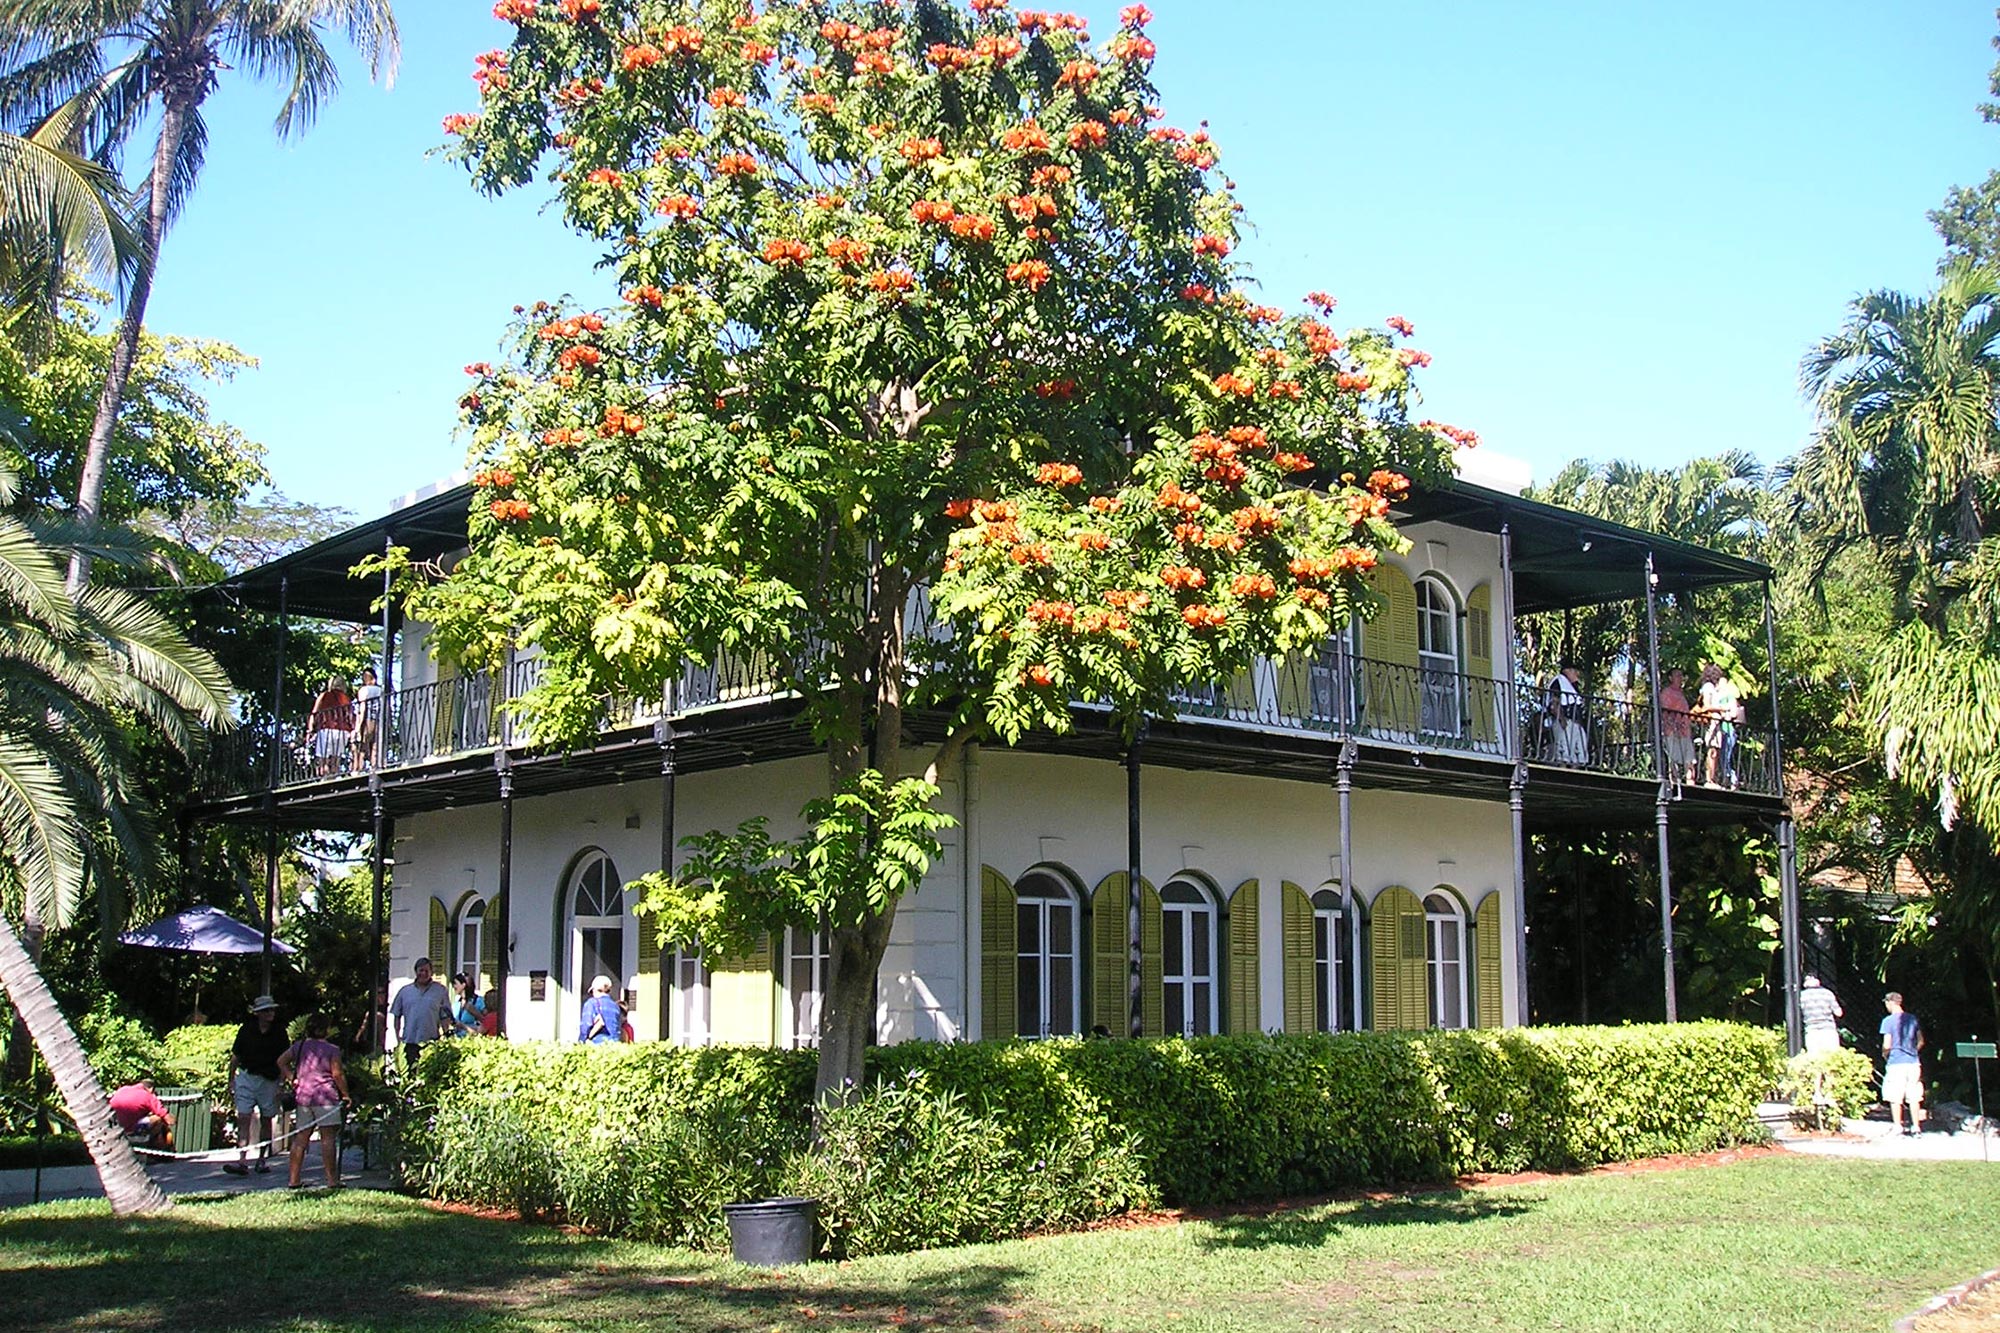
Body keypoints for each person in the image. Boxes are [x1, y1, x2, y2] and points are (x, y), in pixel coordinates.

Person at [277, 1013, 350, 1189]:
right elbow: (337, 1074)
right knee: (328, 1138)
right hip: (325, 1097)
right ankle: (332, 1180)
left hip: (303, 1096)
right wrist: (346, 1094)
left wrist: (291, 1078)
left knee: (300, 1139)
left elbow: (281, 1061)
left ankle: (294, 1180)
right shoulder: (332, 1050)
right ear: (325, 1029)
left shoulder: (299, 1046)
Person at [225, 995, 289, 1176]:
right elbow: (236, 1056)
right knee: (243, 1116)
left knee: (267, 1119)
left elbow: (285, 1059)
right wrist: (231, 1078)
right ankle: (242, 1159)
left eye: (272, 1010)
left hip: (269, 1079)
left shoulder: (279, 1032)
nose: (271, 1013)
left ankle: (262, 1159)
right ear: (258, 1013)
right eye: (267, 1010)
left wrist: (282, 1083)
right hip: (247, 1076)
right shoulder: (246, 1030)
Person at [390, 957, 454, 1071]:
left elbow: (445, 1016)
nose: (423, 973)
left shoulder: (440, 991)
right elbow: (396, 1015)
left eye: (426, 971)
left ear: (431, 973)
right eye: (421, 970)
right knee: (410, 1076)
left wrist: (446, 1038)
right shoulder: (405, 991)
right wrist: (397, 1038)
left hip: (430, 1042)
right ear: (416, 971)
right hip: (409, 1041)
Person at [1880, 991, 1926, 1136]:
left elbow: (1887, 1044)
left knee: (1895, 1096)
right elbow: (1921, 1041)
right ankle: (1916, 1127)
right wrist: (1913, 1051)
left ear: (1890, 1003)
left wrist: (1885, 1054)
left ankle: (1897, 1126)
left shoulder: (1888, 1021)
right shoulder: (1912, 1019)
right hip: (1913, 1062)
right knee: (1914, 1096)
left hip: (1896, 1062)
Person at [1696, 664, 1741, 788]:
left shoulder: (1712, 688)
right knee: (1712, 750)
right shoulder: (1708, 687)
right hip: (1713, 721)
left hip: (1717, 721)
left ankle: (1713, 779)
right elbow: (1707, 705)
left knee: (1715, 750)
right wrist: (1722, 708)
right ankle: (1709, 780)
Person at [307, 674, 355, 777]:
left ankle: (325, 779)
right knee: (336, 761)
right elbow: (350, 716)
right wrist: (352, 730)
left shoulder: (324, 695)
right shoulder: (346, 698)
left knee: (323, 760)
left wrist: (310, 729)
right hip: (342, 731)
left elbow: (314, 713)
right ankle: (334, 779)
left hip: (326, 729)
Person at [1658, 667, 1696, 789]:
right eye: (1677, 675)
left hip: (1685, 731)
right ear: (1671, 678)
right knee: (1673, 759)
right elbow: (1665, 712)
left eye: (1681, 675)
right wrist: (1673, 725)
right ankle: (1674, 784)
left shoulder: (1681, 694)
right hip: (1673, 731)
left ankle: (1691, 784)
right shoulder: (1667, 693)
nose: (1680, 678)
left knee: (1689, 759)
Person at [108, 1078, 173, 1150]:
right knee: (158, 1119)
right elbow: (166, 1117)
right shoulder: (147, 1095)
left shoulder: (123, 1089)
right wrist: (173, 1120)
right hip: (131, 1128)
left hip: (114, 1125)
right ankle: (159, 1148)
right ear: (151, 1089)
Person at [1548, 664, 1589, 766]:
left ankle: (1576, 775)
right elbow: (1553, 702)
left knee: (1578, 753)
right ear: (1567, 670)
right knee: (1563, 752)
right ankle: (1563, 773)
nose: (1577, 674)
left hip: (1576, 724)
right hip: (1565, 721)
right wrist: (1561, 718)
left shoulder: (1572, 687)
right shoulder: (1559, 681)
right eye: (1575, 671)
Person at [1800, 974, 1844, 1053]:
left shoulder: (1801, 996)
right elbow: (1839, 1013)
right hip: (1828, 1029)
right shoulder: (1827, 993)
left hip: (1811, 1030)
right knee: (1832, 1057)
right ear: (1818, 981)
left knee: (1815, 1058)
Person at [351, 666, 384, 771]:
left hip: (368, 719)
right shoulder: (380, 690)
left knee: (363, 746)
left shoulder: (364, 690)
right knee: (375, 745)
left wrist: (359, 725)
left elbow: (363, 707)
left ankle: (359, 768)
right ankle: (375, 767)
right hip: (379, 719)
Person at [578, 974, 624, 1044]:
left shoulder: (591, 1003)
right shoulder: (615, 1006)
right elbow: (618, 1028)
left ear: (595, 990)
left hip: (596, 1044)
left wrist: (581, 1042)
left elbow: (585, 1026)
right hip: (613, 1046)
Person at [451, 971, 485, 1035]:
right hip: (457, 1040)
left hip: (472, 1040)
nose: (453, 986)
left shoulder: (479, 1001)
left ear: (463, 985)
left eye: (455, 983)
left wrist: (475, 1013)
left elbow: (486, 1022)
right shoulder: (456, 1003)